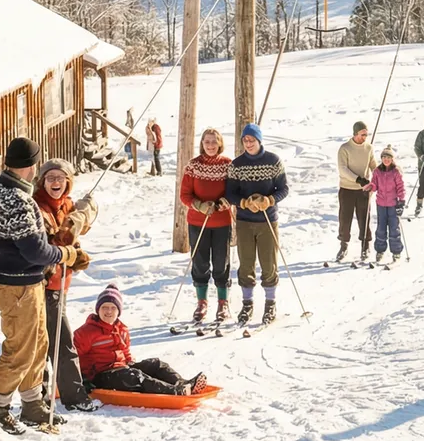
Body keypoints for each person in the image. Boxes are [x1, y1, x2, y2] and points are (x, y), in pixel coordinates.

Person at [0, 136, 87, 434]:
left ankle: (32, 403)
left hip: (24, 280)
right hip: (17, 285)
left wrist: (3, 248)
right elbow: (36, 252)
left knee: (39, 343)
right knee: (20, 349)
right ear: (33, 166)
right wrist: (66, 254)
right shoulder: (21, 200)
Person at [33, 158, 96, 414]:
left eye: (60, 178)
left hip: (61, 283)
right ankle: (71, 396)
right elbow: (45, 246)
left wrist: (75, 252)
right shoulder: (38, 208)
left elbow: (74, 234)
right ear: (42, 181)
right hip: (43, 284)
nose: (55, 183)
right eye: (50, 178)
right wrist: (65, 249)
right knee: (59, 341)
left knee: (52, 339)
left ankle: (44, 393)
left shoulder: (66, 206)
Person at [74, 284, 206, 396]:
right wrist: (82, 379)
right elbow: (73, 358)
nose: (108, 311)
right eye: (104, 307)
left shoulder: (122, 329)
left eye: (113, 308)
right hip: (100, 376)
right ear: (98, 310)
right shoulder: (85, 332)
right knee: (134, 376)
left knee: (156, 364)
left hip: (122, 368)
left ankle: (183, 383)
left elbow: (125, 352)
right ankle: (175, 391)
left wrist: (132, 363)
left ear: (118, 311)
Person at [224, 123, 289, 327]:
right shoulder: (237, 165)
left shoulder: (273, 161)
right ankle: (247, 303)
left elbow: (284, 188)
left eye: (252, 140)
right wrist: (243, 203)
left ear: (259, 140)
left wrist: (269, 200)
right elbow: (230, 193)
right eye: (245, 140)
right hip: (244, 220)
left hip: (268, 220)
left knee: (269, 263)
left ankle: (270, 303)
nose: (248, 143)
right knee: (246, 263)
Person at [180, 127, 234, 326]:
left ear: (220, 143)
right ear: (202, 144)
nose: (210, 145)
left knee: (221, 262)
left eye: (214, 141)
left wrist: (222, 203)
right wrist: (200, 205)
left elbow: (234, 191)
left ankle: (223, 302)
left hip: (221, 221)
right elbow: (185, 195)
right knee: (200, 262)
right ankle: (201, 301)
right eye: (207, 141)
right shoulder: (193, 166)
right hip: (198, 221)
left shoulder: (228, 165)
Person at [335, 120, 376, 263]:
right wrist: (358, 179)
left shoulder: (368, 148)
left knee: (364, 218)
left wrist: (379, 175)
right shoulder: (344, 148)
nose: (365, 137)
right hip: (347, 189)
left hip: (364, 190)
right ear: (355, 133)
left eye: (366, 134)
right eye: (362, 134)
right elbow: (343, 169)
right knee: (345, 219)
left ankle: (365, 246)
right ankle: (343, 245)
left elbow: (373, 165)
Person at [372, 146, 406, 264]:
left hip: (393, 204)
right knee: (381, 228)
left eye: (388, 157)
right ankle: (380, 250)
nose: (386, 160)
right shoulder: (377, 171)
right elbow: (374, 185)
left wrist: (401, 201)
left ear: (392, 159)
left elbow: (400, 187)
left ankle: (396, 251)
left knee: (393, 228)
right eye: (384, 157)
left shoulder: (396, 171)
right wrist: (369, 187)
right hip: (381, 204)